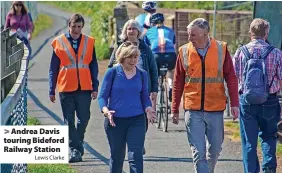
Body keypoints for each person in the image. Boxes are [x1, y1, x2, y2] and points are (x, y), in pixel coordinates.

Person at [171, 18, 239, 173]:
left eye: (193, 35)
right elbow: (177, 82)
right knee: (198, 152)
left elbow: (231, 77)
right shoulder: (183, 51)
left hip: (215, 108)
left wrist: (235, 103)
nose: (190, 38)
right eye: (189, 35)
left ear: (205, 33)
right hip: (193, 109)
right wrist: (174, 108)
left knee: (214, 150)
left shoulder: (221, 49)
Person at [233, 18, 282, 173]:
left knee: (249, 142)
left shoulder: (241, 52)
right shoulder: (276, 53)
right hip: (270, 101)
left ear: (250, 32)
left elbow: (235, 77)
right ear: (266, 33)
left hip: (246, 102)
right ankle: (269, 169)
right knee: (269, 137)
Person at [49, 13, 99, 163]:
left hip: (84, 87)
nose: (76, 30)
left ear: (82, 26)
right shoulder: (59, 42)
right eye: (73, 26)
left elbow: (93, 65)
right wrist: (52, 89)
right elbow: (53, 68)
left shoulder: (89, 42)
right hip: (65, 86)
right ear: (68, 25)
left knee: (84, 118)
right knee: (69, 120)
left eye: (79, 26)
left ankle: (78, 142)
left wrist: (95, 86)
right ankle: (74, 150)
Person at [98, 43, 156, 173]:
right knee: (117, 158)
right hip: (115, 121)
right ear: (122, 57)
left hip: (137, 120)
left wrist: (148, 108)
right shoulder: (112, 73)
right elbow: (102, 97)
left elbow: (144, 97)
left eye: (135, 57)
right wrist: (106, 111)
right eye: (130, 57)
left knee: (135, 156)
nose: (133, 60)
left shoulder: (142, 74)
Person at [108, 19, 158, 155]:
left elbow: (153, 69)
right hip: (122, 88)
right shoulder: (120, 46)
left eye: (134, 29)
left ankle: (137, 141)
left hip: (141, 88)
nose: (131, 31)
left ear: (138, 32)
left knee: (142, 118)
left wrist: (154, 89)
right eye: (129, 29)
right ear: (125, 31)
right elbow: (111, 65)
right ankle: (131, 141)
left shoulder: (145, 48)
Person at [144, 13, 176, 103]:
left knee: (154, 71)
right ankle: (170, 86)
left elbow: (146, 47)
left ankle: (156, 88)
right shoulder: (170, 30)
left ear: (152, 23)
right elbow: (173, 43)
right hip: (170, 55)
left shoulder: (149, 31)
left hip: (156, 56)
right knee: (170, 70)